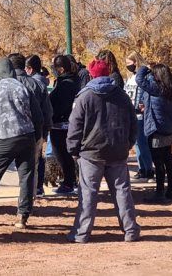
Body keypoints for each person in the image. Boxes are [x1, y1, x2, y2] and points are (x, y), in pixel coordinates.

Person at [66, 59, 140, 243]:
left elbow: (75, 126)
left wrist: (73, 149)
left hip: (91, 153)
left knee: (88, 193)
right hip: (117, 151)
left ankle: (82, 234)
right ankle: (130, 230)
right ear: (108, 73)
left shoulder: (84, 97)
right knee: (122, 192)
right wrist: (128, 143)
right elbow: (133, 122)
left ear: (91, 74)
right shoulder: (122, 95)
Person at [0, 57, 42, 229]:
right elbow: (38, 116)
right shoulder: (24, 87)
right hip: (27, 135)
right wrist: (36, 138)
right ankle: (22, 217)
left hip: (5, 137)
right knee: (26, 176)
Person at [9, 53, 53, 198]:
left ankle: (24, 191)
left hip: (11, 131)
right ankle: (36, 189)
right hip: (35, 130)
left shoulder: (6, 85)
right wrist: (45, 130)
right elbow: (47, 111)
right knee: (36, 160)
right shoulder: (38, 84)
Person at [137, 63, 172, 202]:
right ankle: (171, 190)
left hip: (156, 129)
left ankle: (160, 192)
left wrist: (144, 67)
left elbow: (139, 79)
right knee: (168, 159)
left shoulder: (156, 88)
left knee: (158, 162)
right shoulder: (170, 88)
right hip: (168, 129)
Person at [48, 55, 82, 195]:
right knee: (65, 154)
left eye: (55, 68)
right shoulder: (71, 80)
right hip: (64, 122)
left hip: (61, 123)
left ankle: (69, 182)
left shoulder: (66, 84)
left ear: (61, 69)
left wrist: (52, 115)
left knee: (62, 153)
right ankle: (70, 180)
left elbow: (61, 104)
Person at [124, 52, 154, 183]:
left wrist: (143, 105)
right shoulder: (130, 77)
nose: (127, 66)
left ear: (136, 62)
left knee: (143, 143)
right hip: (131, 113)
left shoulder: (146, 77)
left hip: (141, 114)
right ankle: (142, 169)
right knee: (137, 143)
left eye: (129, 63)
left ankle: (149, 170)